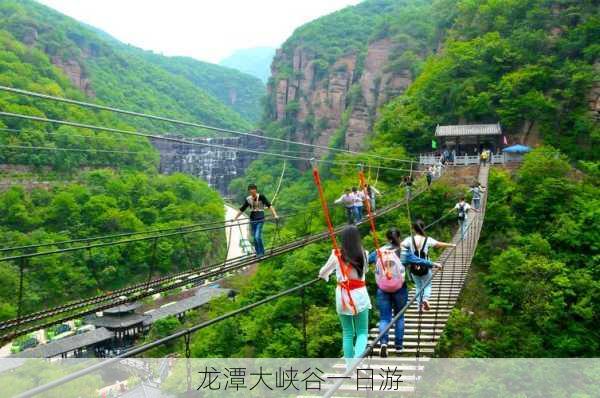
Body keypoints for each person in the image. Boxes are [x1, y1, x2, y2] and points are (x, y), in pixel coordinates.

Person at [368, 228, 438, 357]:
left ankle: (384, 343)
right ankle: (399, 346)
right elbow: (418, 260)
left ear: (386, 238)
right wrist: (433, 264)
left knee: (384, 318)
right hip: (399, 288)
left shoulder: (380, 251)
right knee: (399, 316)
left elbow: (366, 261)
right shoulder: (404, 251)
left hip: (383, 288)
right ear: (399, 237)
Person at [319, 226, 370, 365]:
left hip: (342, 296)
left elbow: (322, 272)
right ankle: (357, 362)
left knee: (347, 333)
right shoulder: (364, 253)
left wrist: (328, 276)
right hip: (360, 295)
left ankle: (349, 366)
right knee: (362, 332)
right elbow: (365, 270)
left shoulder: (336, 255)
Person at [401, 220, 456, 312]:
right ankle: (426, 299)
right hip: (426, 266)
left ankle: (419, 307)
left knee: (418, 287)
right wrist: (451, 245)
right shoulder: (427, 239)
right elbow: (439, 244)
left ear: (413, 229)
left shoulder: (409, 239)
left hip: (413, 267)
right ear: (423, 228)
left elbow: (400, 246)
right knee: (427, 285)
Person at [234, 184, 278, 257]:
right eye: (250, 190)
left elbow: (269, 205)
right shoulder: (248, 199)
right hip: (252, 219)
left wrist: (275, 215)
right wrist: (235, 218)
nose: (252, 191)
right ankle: (258, 253)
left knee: (257, 236)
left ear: (255, 190)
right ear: (249, 191)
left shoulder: (261, 197)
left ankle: (262, 252)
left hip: (260, 218)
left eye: (253, 189)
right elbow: (242, 209)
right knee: (254, 238)